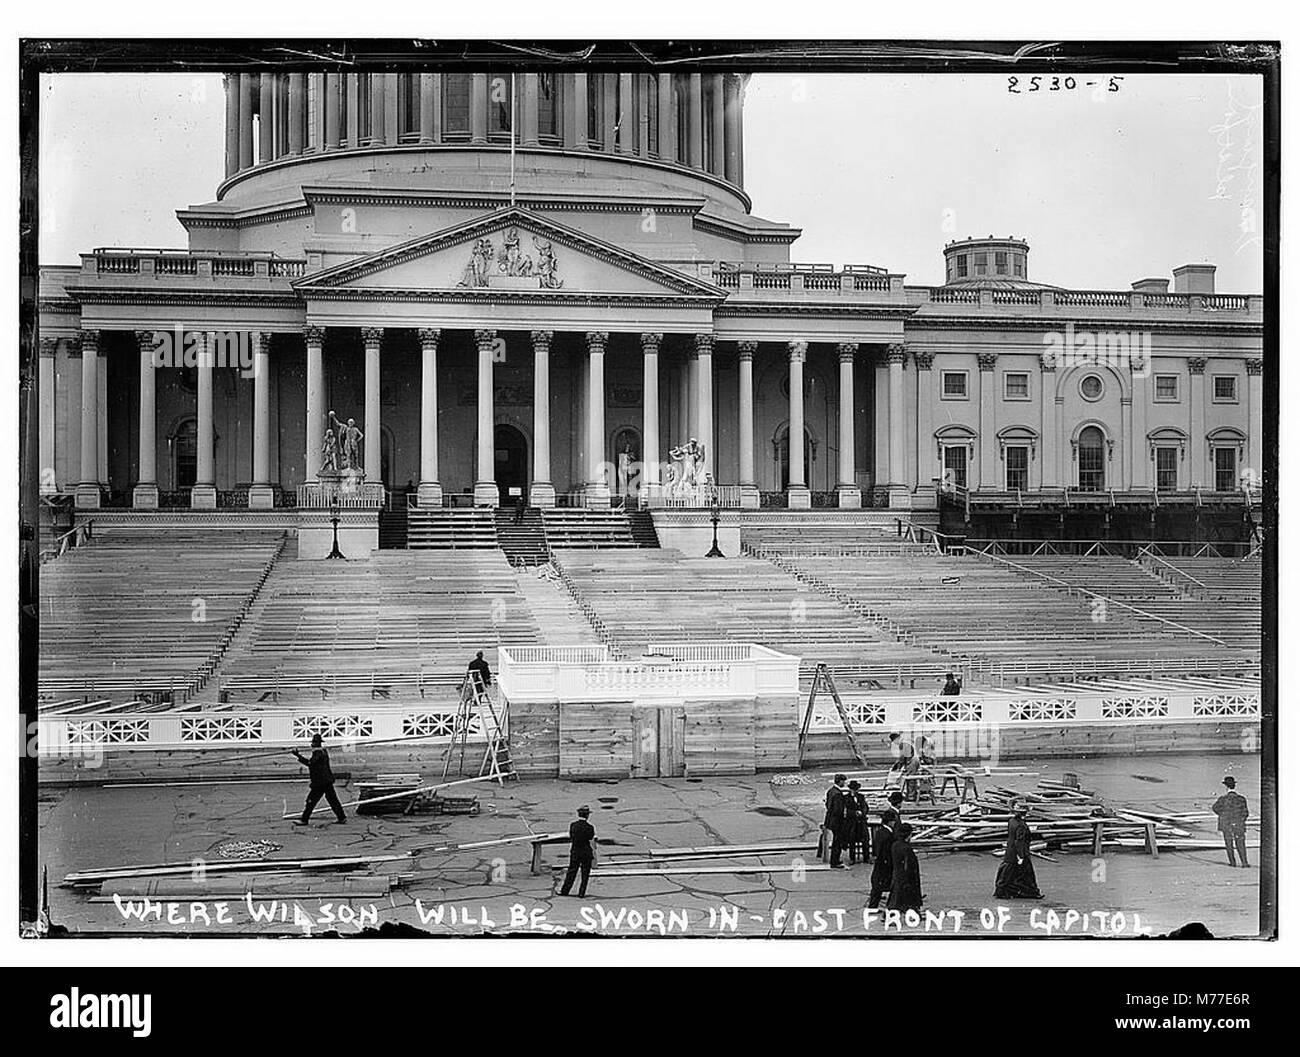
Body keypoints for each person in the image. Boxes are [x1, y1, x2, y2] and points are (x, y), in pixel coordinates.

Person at [291, 734, 347, 826]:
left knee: (311, 801)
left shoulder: (318, 753)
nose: (312, 744)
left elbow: (310, 763)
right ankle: (342, 817)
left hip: (320, 782)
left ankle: (304, 820)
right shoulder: (323, 751)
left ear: (315, 743)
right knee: (333, 800)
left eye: (313, 743)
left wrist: (297, 755)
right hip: (327, 780)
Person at [994, 802, 1042, 898]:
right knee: (1026, 874)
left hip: (1010, 850)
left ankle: (1004, 891)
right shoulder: (1021, 826)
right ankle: (1029, 892)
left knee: (1007, 873)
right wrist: (1021, 856)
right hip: (1019, 852)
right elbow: (1019, 841)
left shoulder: (1012, 821)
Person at [1212, 776, 1250, 867]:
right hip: (1238, 824)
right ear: (1234, 786)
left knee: (1229, 844)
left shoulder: (1222, 799)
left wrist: (1223, 815)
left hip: (1226, 824)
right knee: (1240, 843)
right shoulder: (1241, 799)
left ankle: (1232, 863)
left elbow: (1215, 808)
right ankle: (1244, 863)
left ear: (1226, 787)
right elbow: (1246, 813)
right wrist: (1240, 820)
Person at [559, 805, 597, 897]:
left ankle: (565, 891)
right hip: (586, 852)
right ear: (587, 816)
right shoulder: (590, 827)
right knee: (585, 874)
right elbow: (591, 838)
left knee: (572, 871)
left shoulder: (573, 825)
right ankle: (581, 892)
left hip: (575, 851)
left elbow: (571, 836)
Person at [886, 822, 923, 911]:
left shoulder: (895, 845)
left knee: (895, 896)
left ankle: (891, 913)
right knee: (904, 897)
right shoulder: (906, 848)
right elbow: (909, 865)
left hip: (897, 874)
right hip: (906, 876)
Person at [867, 809, 898, 908]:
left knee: (877, 887)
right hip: (886, 863)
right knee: (888, 885)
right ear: (889, 822)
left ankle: (873, 906)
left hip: (879, 862)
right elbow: (887, 850)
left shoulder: (880, 832)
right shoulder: (888, 835)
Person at [822, 774, 848, 868]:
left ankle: (835, 860)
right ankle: (835, 861)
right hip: (837, 821)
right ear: (840, 781)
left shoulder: (831, 791)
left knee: (836, 840)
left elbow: (828, 806)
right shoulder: (838, 794)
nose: (844, 783)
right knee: (837, 841)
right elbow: (838, 810)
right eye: (843, 781)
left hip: (831, 820)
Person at [843, 780, 869, 865]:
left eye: (857, 789)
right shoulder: (846, 798)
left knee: (865, 839)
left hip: (861, 822)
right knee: (852, 840)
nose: (855, 791)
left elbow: (865, 807)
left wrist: (862, 812)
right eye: (854, 789)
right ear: (850, 789)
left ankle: (866, 857)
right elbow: (846, 811)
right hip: (852, 822)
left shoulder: (861, 797)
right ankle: (852, 858)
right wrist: (855, 813)